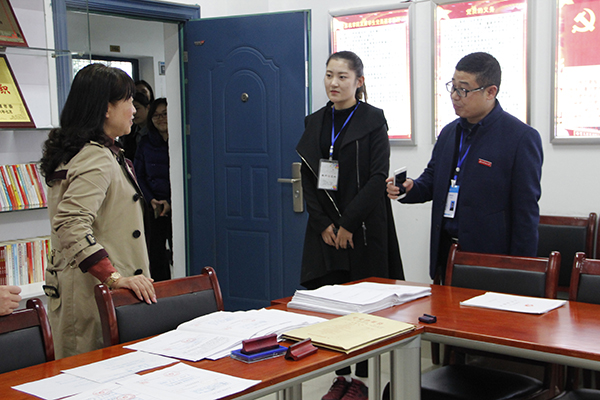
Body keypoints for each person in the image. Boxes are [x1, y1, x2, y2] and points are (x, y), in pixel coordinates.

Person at [296, 51, 404, 400]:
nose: (334, 83)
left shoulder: (373, 120)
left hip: (364, 227)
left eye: (342, 76)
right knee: (332, 305)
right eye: (329, 75)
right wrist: (323, 224)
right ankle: (340, 377)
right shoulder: (315, 121)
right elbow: (308, 178)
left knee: (364, 309)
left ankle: (363, 381)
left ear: (359, 81)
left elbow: (377, 177)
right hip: (325, 230)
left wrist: (347, 224)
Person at [387, 52, 543, 282]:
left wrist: (522, 271)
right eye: (453, 87)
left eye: (464, 90)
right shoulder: (450, 132)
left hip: (491, 262)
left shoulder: (520, 138)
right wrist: (411, 188)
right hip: (445, 254)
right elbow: (433, 178)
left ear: (491, 92)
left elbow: (525, 212)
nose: (454, 96)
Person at [40, 64, 156, 359]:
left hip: (87, 289)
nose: (134, 110)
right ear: (106, 108)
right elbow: (70, 224)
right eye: (128, 101)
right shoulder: (95, 157)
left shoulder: (89, 152)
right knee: (92, 371)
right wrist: (114, 278)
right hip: (93, 291)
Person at [134, 98, 172, 281]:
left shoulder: (183, 140)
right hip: (154, 207)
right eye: (156, 115)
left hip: (178, 207)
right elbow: (138, 175)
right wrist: (150, 199)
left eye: (165, 114)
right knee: (155, 254)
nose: (161, 118)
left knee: (179, 250)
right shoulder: (145, 143)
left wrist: (170, 202)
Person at [118, 92, 150, 161]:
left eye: (137, 108)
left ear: (148, 108)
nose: (134, 112)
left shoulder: (155, 131)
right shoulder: (129, 133)